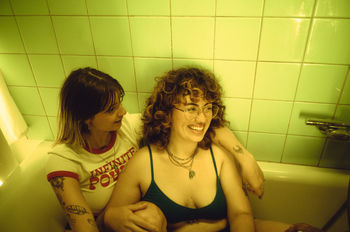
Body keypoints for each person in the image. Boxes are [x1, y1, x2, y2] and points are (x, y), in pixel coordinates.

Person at [45, 67, 265, 232]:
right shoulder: (64, 161)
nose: (122, 111)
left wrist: (245, 158)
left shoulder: (126, 127)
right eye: (112, 109)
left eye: (119, 103)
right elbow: (85, 226)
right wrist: (112, 217)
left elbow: (200, 124)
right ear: (86, 119)